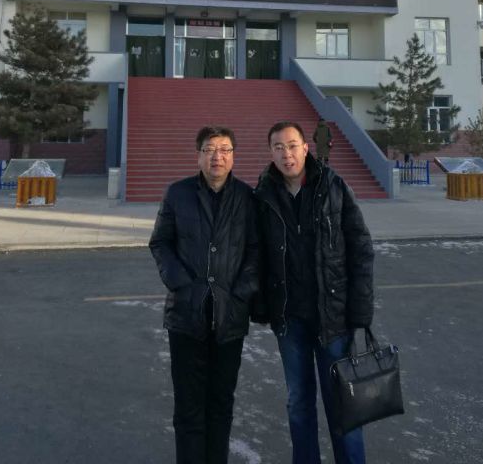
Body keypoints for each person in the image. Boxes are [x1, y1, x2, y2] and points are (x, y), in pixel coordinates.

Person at [254, 121, 374, 464]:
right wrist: (260, 304)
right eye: (278, 147)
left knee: (343, 403)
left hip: (332, 316)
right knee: (299, 402)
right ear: (270, 152)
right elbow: (257, 254)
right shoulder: (263, 195)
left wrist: (360, 311)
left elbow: (361, 248)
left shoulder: (333, 185)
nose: (286, 154)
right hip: (290, 319)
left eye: (292, 145)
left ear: (306, 147)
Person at [149, 126, 258, 464]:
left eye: (224, 149)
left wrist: (239, 294)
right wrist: (181, 284)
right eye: (209, 149)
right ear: (198, 155)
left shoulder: (246, 197)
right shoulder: (178, 193)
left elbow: (256, 251)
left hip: (229, 318)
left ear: (233, 156)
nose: (217, 156)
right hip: (186, 316)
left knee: (221, 404)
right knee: (188, 406)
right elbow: (160, 243)